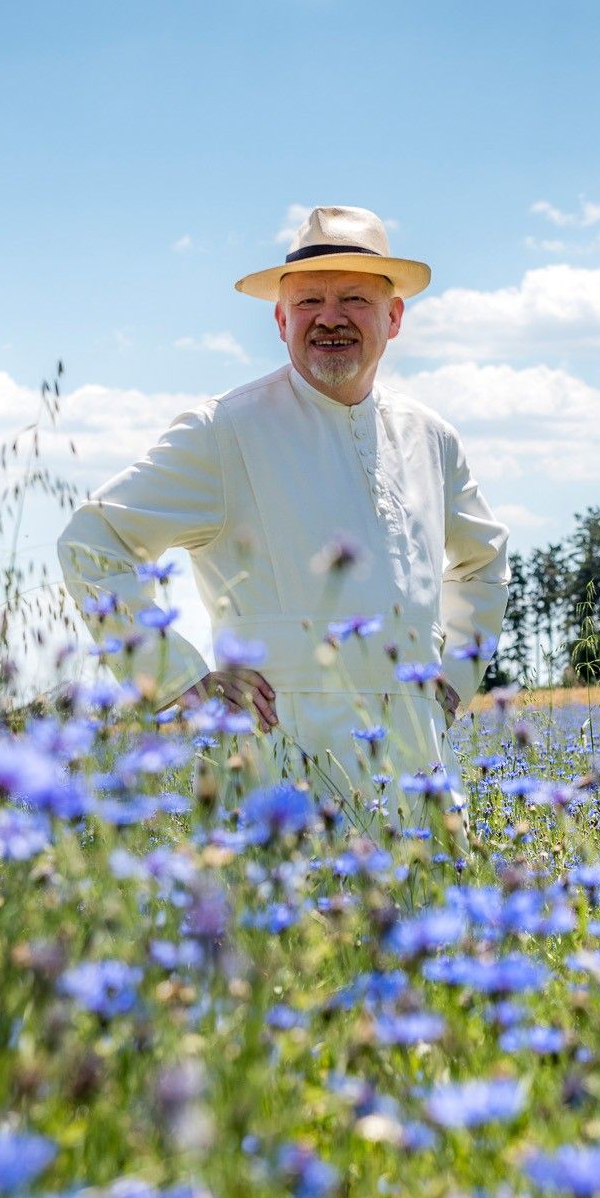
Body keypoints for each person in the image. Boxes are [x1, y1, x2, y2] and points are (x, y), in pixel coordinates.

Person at [56, 205, 509, 824]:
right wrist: (180, 681)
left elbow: (483, 561)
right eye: (308, 301)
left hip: (418, 767)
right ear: (280, 319)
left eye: (354, 299)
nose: (330, 318)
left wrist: (455, 676)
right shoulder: (224, 430)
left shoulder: (431, 437)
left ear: (393, 317)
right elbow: (92, 541)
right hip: (279, 764)